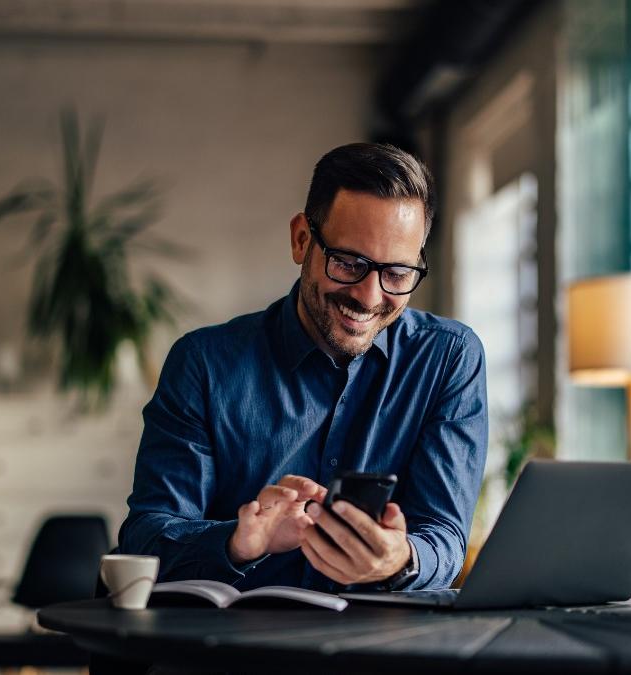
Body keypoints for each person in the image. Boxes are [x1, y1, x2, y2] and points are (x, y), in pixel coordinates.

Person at [118, 142, 487, 592]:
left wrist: (400, 560)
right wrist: (238, 542)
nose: (369, 297)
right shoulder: (204, 364)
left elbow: (445, 536)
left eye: (396, 273)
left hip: (378, 652)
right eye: (349, 262)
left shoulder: (448, 358)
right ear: (301, 239)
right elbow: (146, 538)